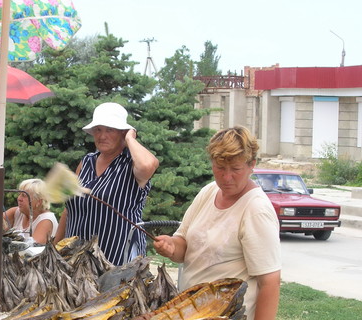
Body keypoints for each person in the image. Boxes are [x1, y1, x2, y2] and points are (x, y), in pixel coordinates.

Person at [152, 126, 281, 320]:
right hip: (189, 312)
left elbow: (270, 282)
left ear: (251, 164)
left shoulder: (256, 210)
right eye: (220, 168)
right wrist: (171, 246)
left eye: (236, 169)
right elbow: (184, 245)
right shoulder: (209, 191)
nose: (227, 177)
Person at [53, 102, 159, 266]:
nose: (102, 136)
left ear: (122, 133)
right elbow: (68, 210)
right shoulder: (86, 162)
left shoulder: (131, 164)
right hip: (75, 258)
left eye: (110, 129)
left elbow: (148, 165)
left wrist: (130, 138)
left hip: (118, 259)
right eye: (98, 130)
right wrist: (54, 248)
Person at [4, 179, 58, 244]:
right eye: (19, 194)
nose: (19, 198)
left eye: (24, 195)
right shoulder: (17, 212)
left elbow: (33, 248)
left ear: (38, 202)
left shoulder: (46, 219)